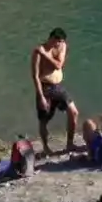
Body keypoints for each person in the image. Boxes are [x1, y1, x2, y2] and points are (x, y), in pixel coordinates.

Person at [32, 27, 79, 155]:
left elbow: (58, 65)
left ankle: (70, 143)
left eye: (62, 41)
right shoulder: (37, 52)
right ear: (52, 38)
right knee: (44, 120)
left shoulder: (59, 47)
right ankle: (46, 147)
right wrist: (41, 96)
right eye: (58, 41)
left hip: (58, 87)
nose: (60, 44)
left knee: (73, 112)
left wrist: (45, 54)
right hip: (45, 88)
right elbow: (35, 76)